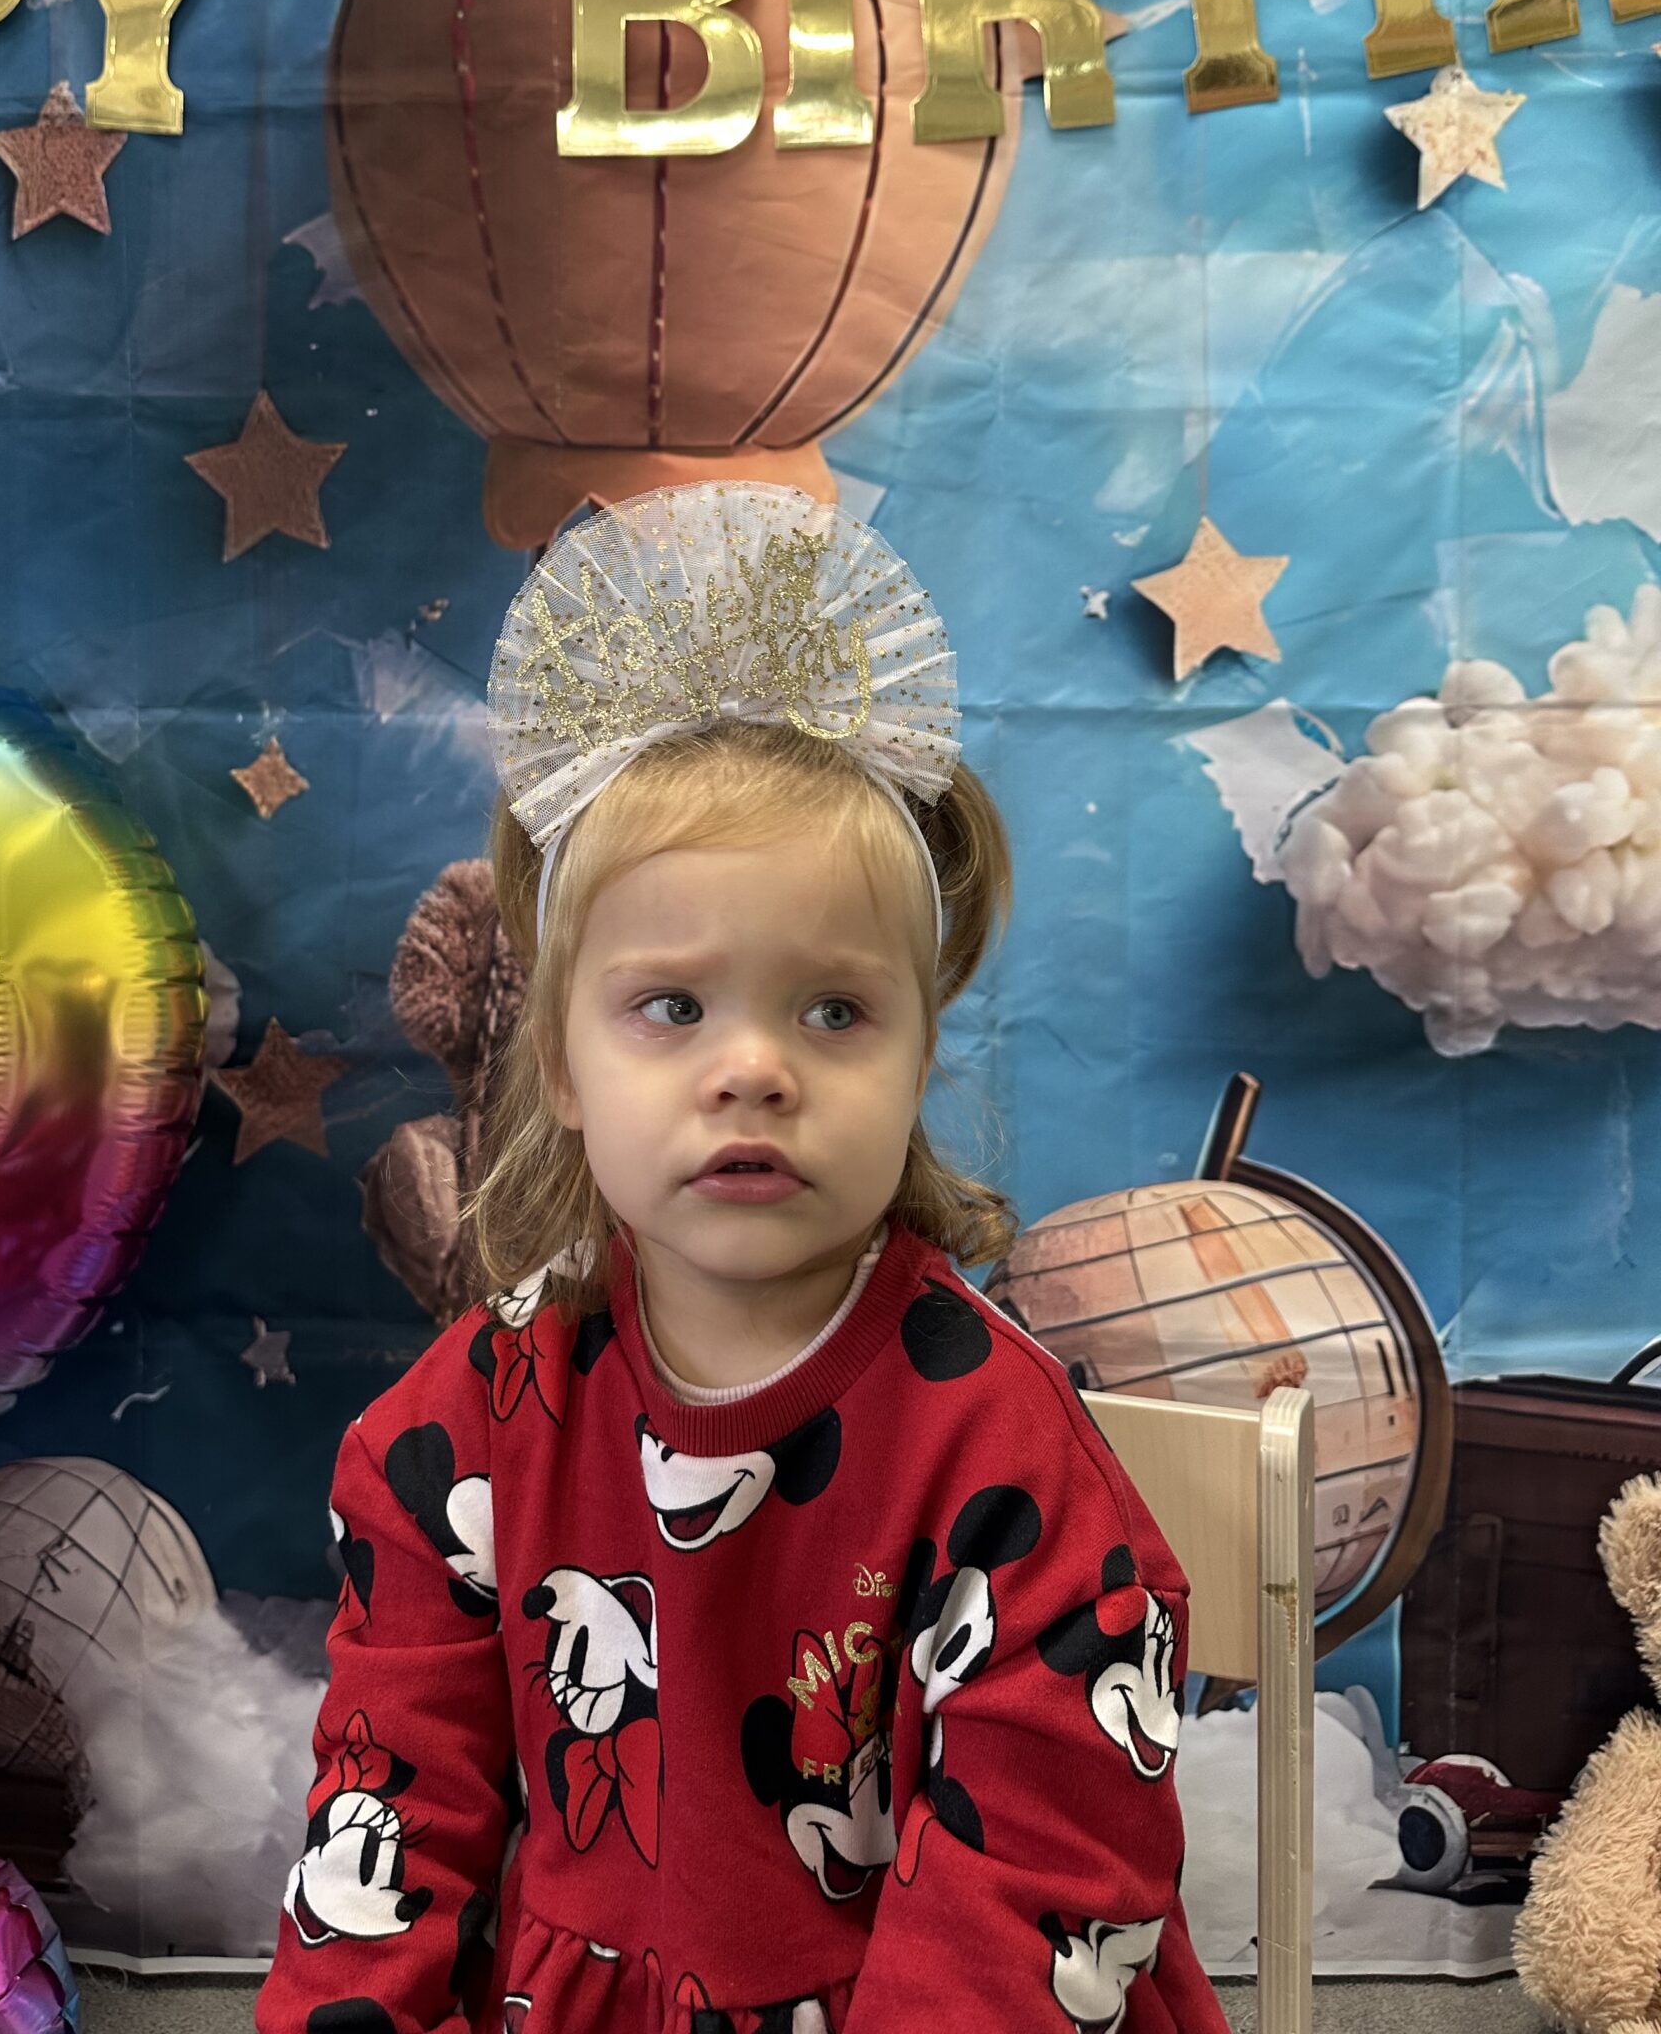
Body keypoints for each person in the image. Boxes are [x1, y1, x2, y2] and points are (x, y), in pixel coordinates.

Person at [256, 481, 1229, 2034]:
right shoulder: (467, 1424)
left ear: (918, 1061)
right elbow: (389, 1818)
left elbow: (1035, 1889)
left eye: (835, 1012)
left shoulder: (1004, 1451)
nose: (755, 1069)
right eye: (673, 1008)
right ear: (563, 1064)